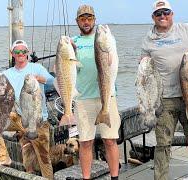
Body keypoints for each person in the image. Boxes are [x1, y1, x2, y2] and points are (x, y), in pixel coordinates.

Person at [140, 0, 188, 180]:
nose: (162, 16)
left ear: (172, 14)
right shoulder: (148, 39)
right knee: (162, 145)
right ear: (153, 17)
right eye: (158, 14)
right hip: (164, 99)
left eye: (166, 12)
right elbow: (144, 65)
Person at [0, 40, 54, 179]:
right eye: (17, 52)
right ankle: (4, 157)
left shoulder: (37, 68)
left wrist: (39, 79)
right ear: (12, 54)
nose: (21, 54)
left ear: (27, 53)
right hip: (18, 119)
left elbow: (53, 82)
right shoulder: (6, 74)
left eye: (24, 51)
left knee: (44, 159)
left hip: (37, 121)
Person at [72, 5, 120, 180]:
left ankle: (115, 177)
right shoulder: (73, 42)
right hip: (83, 98)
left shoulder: (106, 39)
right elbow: (67, 69)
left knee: (110, 140)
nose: (86, 22)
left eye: (89, 18)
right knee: (85, 142)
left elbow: (113, 63)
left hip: (107, 97)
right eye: (82, 19)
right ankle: (86, 177)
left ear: (94, 20)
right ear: (77, 21)